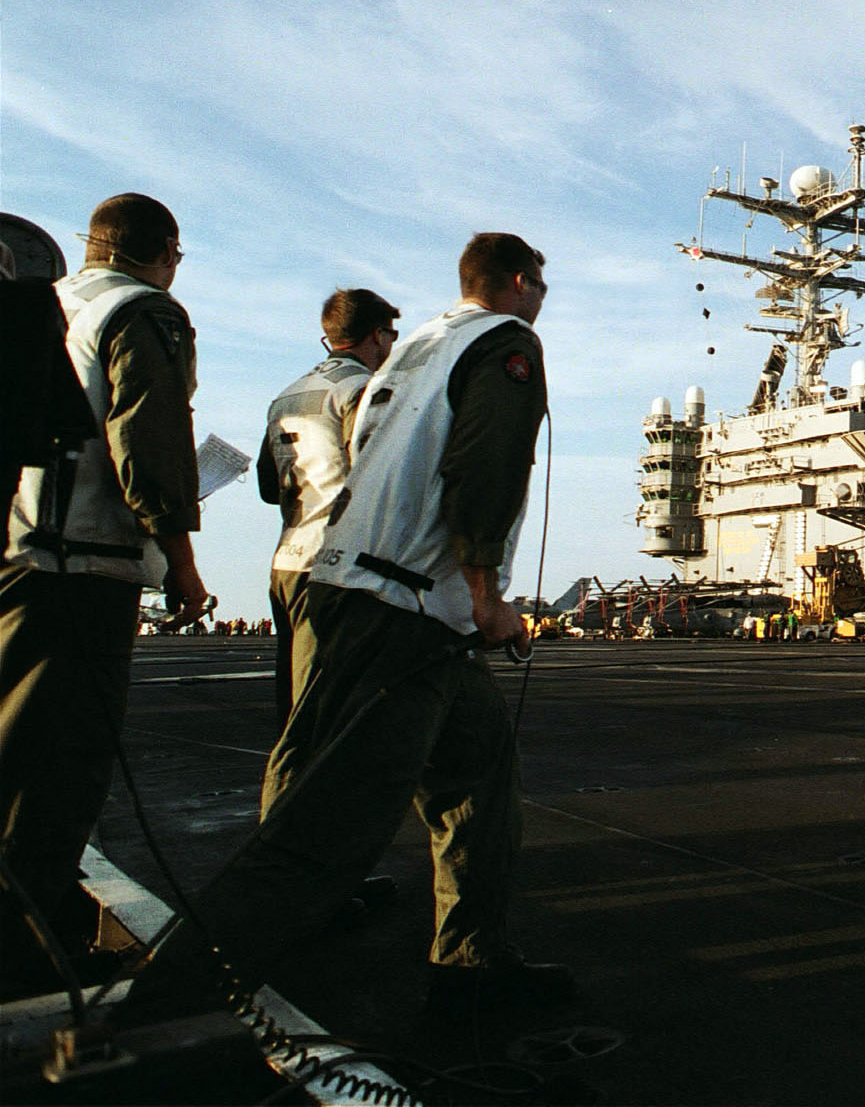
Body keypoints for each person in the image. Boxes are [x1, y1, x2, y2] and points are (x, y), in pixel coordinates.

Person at [123, 232, 566, 1021]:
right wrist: (489, 595)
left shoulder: (415, 348)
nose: (541, 299)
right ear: (518, 283)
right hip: (401, 614)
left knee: (481, 779)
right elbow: (484, 469)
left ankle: (472, 964)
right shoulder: (507, 342)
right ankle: (158, 1011)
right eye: (539, 285)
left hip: (384, 598)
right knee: (329, 831)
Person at [0, 194, 211, 993]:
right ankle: (27, 953)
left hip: (21, 554)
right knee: (63, 765)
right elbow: (149, 439)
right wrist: (181, 561)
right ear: (163, 252)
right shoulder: (146, 310)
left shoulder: (44, 301)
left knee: (13, 754)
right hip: (81, 570)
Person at [258, 287, 400, 728]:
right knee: (331, 715)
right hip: (337, 568)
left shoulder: (287, 394)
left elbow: (268, 486)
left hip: (287, 563)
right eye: (391, 335)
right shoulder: (365, 390)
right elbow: (377, 476)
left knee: (296, 708)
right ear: (376, 335)